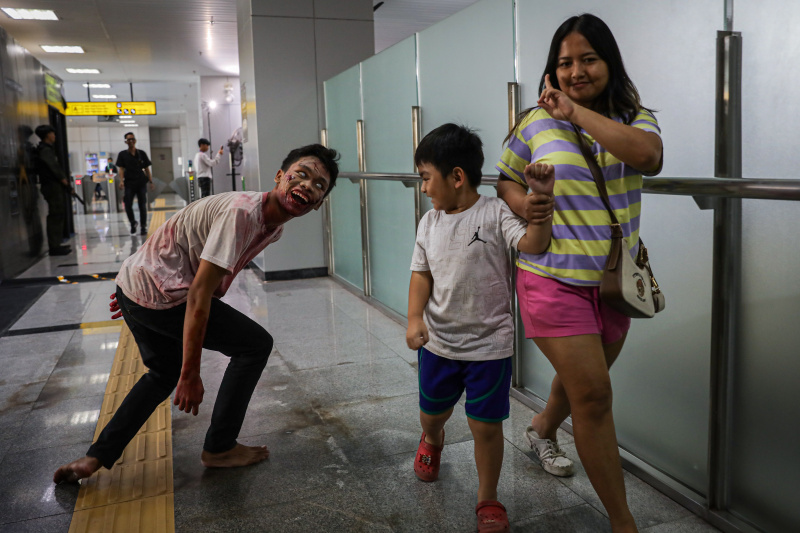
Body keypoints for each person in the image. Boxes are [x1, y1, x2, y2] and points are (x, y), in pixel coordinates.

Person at [53, 144, 339, 484]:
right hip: (159, 292)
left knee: (161, 373)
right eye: (301, 174)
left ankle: (94, 458)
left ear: (320, 203)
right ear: (280, 177)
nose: (308, 185)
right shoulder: (243, 213)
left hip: (139, 285)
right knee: (253, 346)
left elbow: (183, 243)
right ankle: (219, 448)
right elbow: (200, 293)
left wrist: (131, 291)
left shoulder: (273, 226)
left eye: (319, 185)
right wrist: (191, 372)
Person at [496, 14, 662, 533]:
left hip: (614, 281)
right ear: (553, 69)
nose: (575, 70)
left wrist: (575, 113)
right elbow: (505, 181)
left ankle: (541, 428)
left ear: (609, 62)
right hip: (550, 276)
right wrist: (531, 205)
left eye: (587, 58)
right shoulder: (532, 122)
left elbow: (649, 158)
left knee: (581, 385)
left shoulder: (637, 117)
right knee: (593, 394)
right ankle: (622, 522)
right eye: (564, 62)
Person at [406, 124, 554, 533]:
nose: (423, 188)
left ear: (456, 177)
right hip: (438, 343)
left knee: (486, 427)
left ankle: (488, 497)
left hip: (490, 347)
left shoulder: (494, 212)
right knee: (431, 412)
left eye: (426, 178)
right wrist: (415, 318)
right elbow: (421, 275)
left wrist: (539, 206)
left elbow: (532, 245)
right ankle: (432, 439)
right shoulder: (429, 222)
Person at [34, 124, 72, 256]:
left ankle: (56, 243)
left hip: (53, 185)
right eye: (52, 133)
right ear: (47, 135)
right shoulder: (45, 150)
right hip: (51, 186)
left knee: (58, 213)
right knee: (56, 214)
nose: (54, 136)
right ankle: (54, 246)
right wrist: (63, 179)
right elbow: (53, 167)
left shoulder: (47, 149)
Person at [116, 132, 153, 236]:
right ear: (125, 142)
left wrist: (150, 181)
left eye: (132, 139)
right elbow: (121, 169)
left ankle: (143, 227)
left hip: (141, 182)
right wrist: (121, 181)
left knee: (142, 205)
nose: (131, 141)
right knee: (128, 205)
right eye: (128, 140)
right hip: (129, 183)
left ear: (135, 140)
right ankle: (133, 223)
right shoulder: (122, 154)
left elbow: (146, 169)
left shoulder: (141, 153)